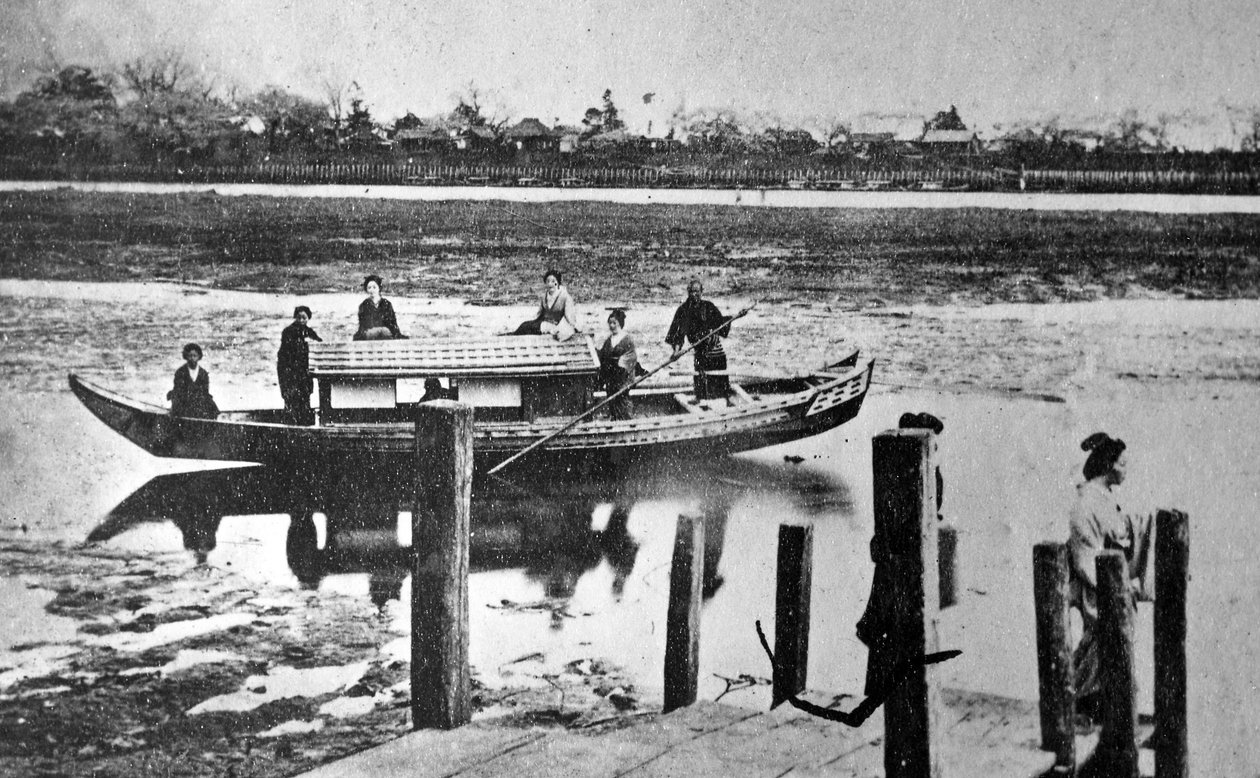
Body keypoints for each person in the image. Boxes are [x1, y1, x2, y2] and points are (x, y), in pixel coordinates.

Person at [855, 410, 945, 698]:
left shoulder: (894, 470)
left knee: (888, 636)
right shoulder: (926, 473)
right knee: (899, 633)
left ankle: (882, 695)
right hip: (906, 567)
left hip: (895, 565)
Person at [1067, 432, 1154, 723]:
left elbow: (1118, 535)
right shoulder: (1089, 502)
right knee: (1102, 643)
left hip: (1107, 580)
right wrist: (1113, 587)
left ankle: (1100, 702)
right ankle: (1076, 699)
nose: (1126, 472)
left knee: (1106, 646)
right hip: (1097, 583)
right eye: (1123, 465)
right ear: (1108, 466)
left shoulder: (1101, 497)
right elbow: (1087, 554)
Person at [665, 279, 730, 401]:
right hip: (700, 352)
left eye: (697, 291)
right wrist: (676, 351)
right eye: (692, 291)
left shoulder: (708, 306)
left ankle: (724, 401)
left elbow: (721, 323)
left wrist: (738, 315)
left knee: (720, 380)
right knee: (701, 381)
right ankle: (703, 403)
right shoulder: (683, 310)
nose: (695, 294)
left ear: (702, 292)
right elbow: (678, 333)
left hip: (716, 351)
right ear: (688, 292)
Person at [277, 306, 322, 425]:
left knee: (305, 398)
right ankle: (290, 424)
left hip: (303, 371)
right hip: (290, 370)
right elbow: (285, 353)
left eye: (304, 318)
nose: (301, 320)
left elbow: (319, 343)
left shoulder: (309, 332)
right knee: (291, 398)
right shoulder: (288, 331)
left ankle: (305, 424)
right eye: (299, 318)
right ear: (295, 317)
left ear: (308, 318)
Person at [596, 309, 638, 420]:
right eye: (610, 323)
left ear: (620, 323)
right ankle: (615, 419)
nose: (612, 326)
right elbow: (603, 356)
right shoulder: (609, 340)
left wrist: (620, 363)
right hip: (611, 376)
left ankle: (627, 421)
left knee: (622, 399)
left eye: (614, 323)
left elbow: (632, 357)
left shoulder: (627, 339)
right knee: (611, 399)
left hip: (623, 376)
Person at [511, 270, 578, 338]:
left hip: (555, 326)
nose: (550, 284)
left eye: (553, 281)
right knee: (524, 325)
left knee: (527, 327)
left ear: (558, 283)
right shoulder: (544, 296)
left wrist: (573, 328)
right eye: (548, 281)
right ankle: (511, 336)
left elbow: (570, 317)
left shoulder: (565, 297)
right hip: (542, 323)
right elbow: (539, 314)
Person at [167, 343, 219, 419]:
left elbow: (205, 391)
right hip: (184, 400)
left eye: (194, 356)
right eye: (190, 356)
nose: (192, 358)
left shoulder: (203, 373)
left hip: (198, 401)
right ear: (186, 357)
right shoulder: (180, 372)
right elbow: (178, 389)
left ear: (198, 357)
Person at [354, 275, 405, 340]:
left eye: (374, 287)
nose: (372, 290)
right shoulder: (364, 305)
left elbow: (392, 324)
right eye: (369, 288)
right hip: (370, 337)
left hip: (386, 336)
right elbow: (363, 326)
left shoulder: (387, 304)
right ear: (366, 289)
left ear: (379, 288)